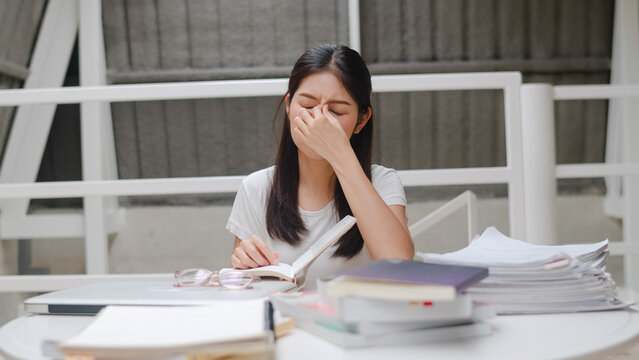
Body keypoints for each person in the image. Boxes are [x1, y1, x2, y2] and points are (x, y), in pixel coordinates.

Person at [226, 43, 414, 289]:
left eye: (336, 111)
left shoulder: (382, 182)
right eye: (307, 106)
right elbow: (243, 291)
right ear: (289, 106)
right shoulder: (256, 188)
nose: (319, 121)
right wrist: (243, 264)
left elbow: (399, 263)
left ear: (361, 120)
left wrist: (339, 153)